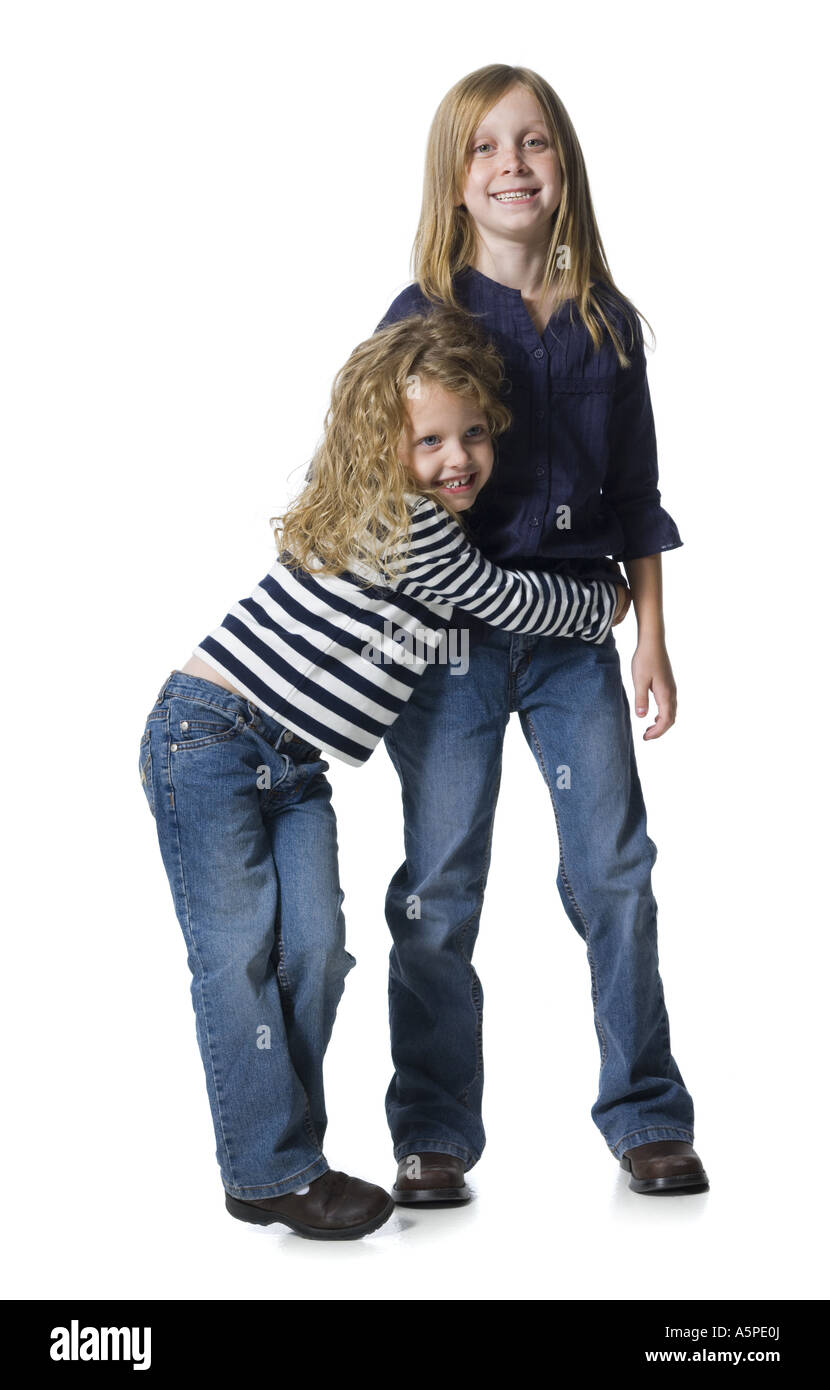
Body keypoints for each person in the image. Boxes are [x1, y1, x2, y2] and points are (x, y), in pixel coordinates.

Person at [137, 307, 629, 1239]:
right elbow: (509, 600)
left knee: (316, 954)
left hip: (292, 763)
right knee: (236, 956)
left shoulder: (412, 514)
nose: (459, 459)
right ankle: (276, 1168)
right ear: (384, 443)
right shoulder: (407, 525)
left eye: (475, 434)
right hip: (209, 741)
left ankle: (275, 1160)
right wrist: (607, 596)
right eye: (431, 439)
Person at [375, 64, 708, 1202]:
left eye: (532, 144)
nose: (510, 164)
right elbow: (384, 491)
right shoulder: (418, 320)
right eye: (484, 149)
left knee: (614, 871)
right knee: (440, 882)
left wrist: (650, 637)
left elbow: (636, 498)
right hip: (448, 648)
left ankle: (646, 1115)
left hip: (573, 644)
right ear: (454, 182)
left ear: (562, 166)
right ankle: (430, 1132)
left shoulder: (608, 328)